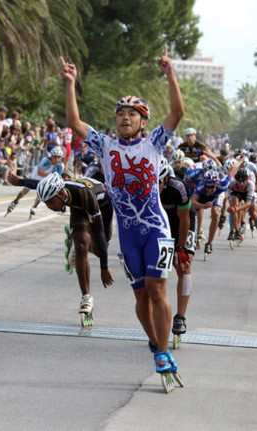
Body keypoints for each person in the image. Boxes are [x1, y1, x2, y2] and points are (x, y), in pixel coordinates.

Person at [61, 49, 185, 388]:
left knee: (158, 290)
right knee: (141, 297)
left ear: (143, 121)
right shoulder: (104, 146)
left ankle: (161, 351)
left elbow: (177, 112)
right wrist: (70, 83)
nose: (125, 118)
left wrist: (170, 73)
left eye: (132, 114)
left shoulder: (155, 143)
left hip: (156, 230)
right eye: (120, 114)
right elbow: (74, 123)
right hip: (128, 236)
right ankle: (156, 343)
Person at [11, 172, 114, 327]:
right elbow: (36, 184)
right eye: (46, 203)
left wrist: (104, 267)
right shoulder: (58, 191)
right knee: (81, 245)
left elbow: (99, 233)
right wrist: (19, 181)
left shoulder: (84, 195)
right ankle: (86, 298)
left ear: (60, 193)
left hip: (101, 206)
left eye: (51, 202)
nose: (50, 207)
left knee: (100, 249)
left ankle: (82, 247)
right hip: (77, 208)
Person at [157, 158, 195, 347]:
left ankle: (180, 316)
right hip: (162, 227)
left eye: (159, 183)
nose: (157, 187)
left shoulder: (177, 187)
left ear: (166, 178)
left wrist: (180, 248)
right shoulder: (146, 186)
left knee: (183, 267)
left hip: (183, 224)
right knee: (158, 272)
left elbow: (185, 219)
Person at [5, 145, 65, 218]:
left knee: (42, 191)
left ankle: (34, 206)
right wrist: (50, 177)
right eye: (55, 157)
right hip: (36, 175)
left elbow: (57, 177)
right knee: (25, 190)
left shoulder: (60, 166)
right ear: (51, 156)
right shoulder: (46, 160)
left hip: (46, 178)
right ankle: (15, 201)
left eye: (58, 157)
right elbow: (40, 172)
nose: (56, 159)